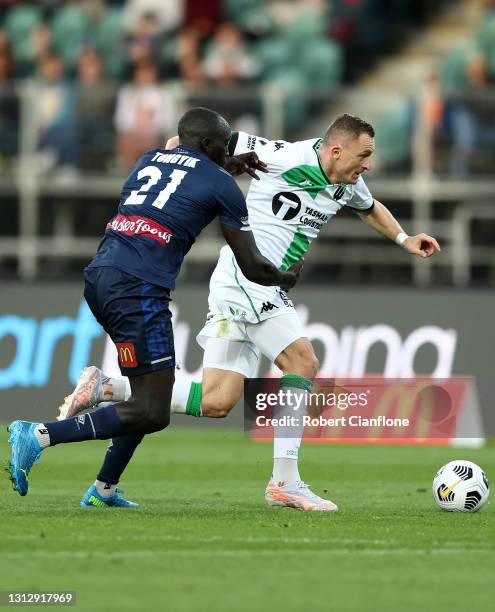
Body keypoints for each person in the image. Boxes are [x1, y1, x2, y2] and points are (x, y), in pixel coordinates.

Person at [57, 114, 440, 511]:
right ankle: (284, 482)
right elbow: (181, 143)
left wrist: (404, 238)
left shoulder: (348, 183)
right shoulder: (284, 156)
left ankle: (106, 388)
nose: (368, 165)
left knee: (217, 401)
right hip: (248, 279)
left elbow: (369, 206)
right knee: (303, 363)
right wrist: (177, 161)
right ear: (336, 149)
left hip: (247, 285)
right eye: (364, 155)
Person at [6, 107, 302, 504]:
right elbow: (251, 266)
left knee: (151, 388)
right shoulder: (223, 186)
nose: (229, 148)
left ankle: (103, 489)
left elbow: (180, 159)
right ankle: (39, 435)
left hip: (102, 274)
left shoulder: (149, 159)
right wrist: (286, 277)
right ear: (210, 145)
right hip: (139, 288)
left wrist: (225, 162)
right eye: (224, 143)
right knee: (153, 409)